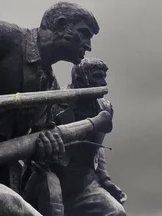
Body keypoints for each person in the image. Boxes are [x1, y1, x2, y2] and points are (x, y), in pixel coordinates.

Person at [0, 1, 99, 192]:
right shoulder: (3, 36)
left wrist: (44, 146)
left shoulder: (49, 87)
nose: (88, 46)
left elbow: (32, 140)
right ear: (61, 24)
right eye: (84, 33)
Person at [54, 58, 127, 216]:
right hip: (53, 176)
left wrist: (105, 179)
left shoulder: (104, 107)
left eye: (104, 77)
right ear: (80, 79)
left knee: (116, 212)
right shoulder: (55, 103)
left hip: (84, 182)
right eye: (97, 77)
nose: (103, 83)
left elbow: (96, 148)